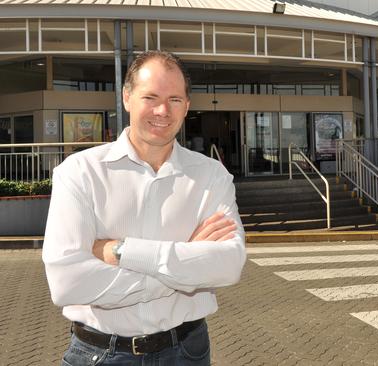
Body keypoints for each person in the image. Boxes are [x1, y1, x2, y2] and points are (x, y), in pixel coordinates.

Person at [42, 50, 246, 365]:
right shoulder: (80, 172)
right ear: (127, 98)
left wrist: (122, 251)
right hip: (100, 353)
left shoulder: (211, 175)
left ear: (187, 106)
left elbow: (229, 264)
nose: (163, 110)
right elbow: (67, 283)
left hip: (187, 351)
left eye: (175, 99)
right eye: (150, 97)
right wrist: (186, 263)